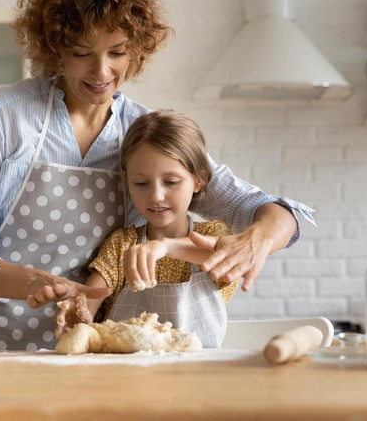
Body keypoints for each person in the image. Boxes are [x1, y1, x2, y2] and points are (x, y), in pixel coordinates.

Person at [0, 0, 315, 352]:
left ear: (136, 48)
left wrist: (256, 239)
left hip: (94, 348)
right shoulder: (4, 114)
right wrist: (39, 283)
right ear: (55, 49)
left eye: (117, 52)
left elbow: (271, 210)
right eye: (83, 53)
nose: (102, 72)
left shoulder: (143, 134)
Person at [54, 110, 240, 348]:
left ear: (199, 179)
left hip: (197, 379)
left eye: (171, 182)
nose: (156, 196)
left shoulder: (214, 236)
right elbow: (88, 304)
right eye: (141, 183)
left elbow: (226, 257)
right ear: (126, 179)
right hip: (128, 380)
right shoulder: (122, 245)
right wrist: (77, 314)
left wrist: (165, 247)